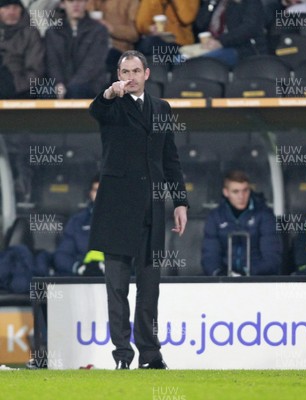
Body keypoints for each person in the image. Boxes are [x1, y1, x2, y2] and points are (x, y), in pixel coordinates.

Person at [88, 49, 189, 370]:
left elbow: (170, 159)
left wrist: (181, 201)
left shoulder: (162, 108)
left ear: (147, 74)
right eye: (123, 71)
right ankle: (122, 356)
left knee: (149, 288)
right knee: (116, 288)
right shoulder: (112, 105)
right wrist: (107, 93)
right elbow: (96, 110)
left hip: (152, 209)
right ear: (118, 75)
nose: (128, 77)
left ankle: (150, 355)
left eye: (134, 71)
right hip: (116, 210)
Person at [201, 170, 281, 276]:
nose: (241, 196)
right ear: (226, 192)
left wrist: (247, 274)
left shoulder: (264, 215)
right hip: (223, 280)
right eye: (236, 191)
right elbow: (210, 255)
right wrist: (220, 274)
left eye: (245, 190)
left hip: (257, 279)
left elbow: (272, 258)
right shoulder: (215, 217)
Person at [44, 0, 109, 99]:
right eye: (71, 1)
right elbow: (52, 63)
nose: (76, 4)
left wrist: (70, 87)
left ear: (86, 3)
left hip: (90, 84)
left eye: (80, 0)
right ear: (62, 4)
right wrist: (59, 83)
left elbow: (92, 64)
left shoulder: (99, 30)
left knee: (76, 90)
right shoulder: (52, 32)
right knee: (46, 92)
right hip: (61, 84)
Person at [53, 175, 104, 276]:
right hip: (82, 281)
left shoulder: (124, 221)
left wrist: (111, 269)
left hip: (117, 283)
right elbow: (61, 255)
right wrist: (80, 267)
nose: (100, 194)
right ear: (90, 193)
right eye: (96, 190)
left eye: (104, 191)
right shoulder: (77, 222)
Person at [194, 0, 268, 68]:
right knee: (183, 57)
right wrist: (211, 3)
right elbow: (200, 24)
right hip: (211, 45)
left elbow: (248, 28)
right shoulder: (217, 3)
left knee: (205, 60)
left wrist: (221, 41)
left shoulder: (250, 2)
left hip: (242, 48)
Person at [86, 0, 140, 82]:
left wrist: (111, 29)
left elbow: (134, 34)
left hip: (117, 48)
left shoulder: (131, 2)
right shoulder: (91, 3)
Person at [0, 0, 45, 98]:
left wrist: (16, 86)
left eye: (15, 8)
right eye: (7, 8)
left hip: (20, 88)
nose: (11, 12)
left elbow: (35, 70)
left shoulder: (31, 34)